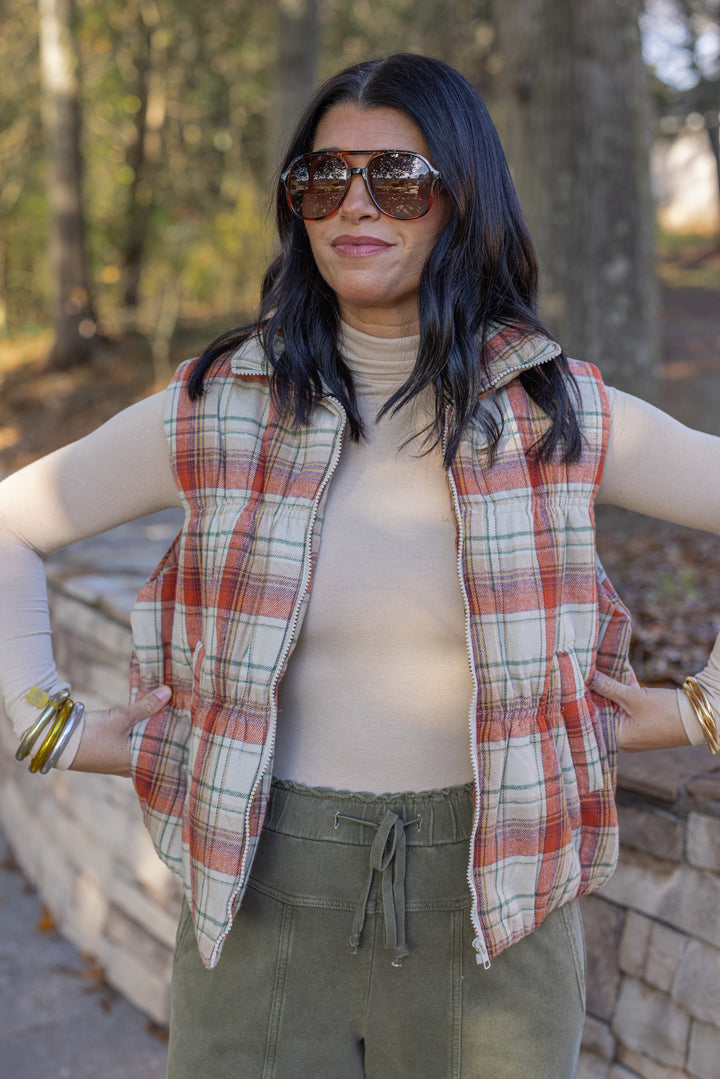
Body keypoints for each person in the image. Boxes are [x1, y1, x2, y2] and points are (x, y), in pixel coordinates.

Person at [1, 52, 719, 1079]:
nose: (354, 205)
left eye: (399, 177)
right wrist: (49, 723)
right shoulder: (216, 407)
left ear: (463, 197)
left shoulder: (559, 413)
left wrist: (700, 709)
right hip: (262, 903)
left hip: (495, 917)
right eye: (321, 178)